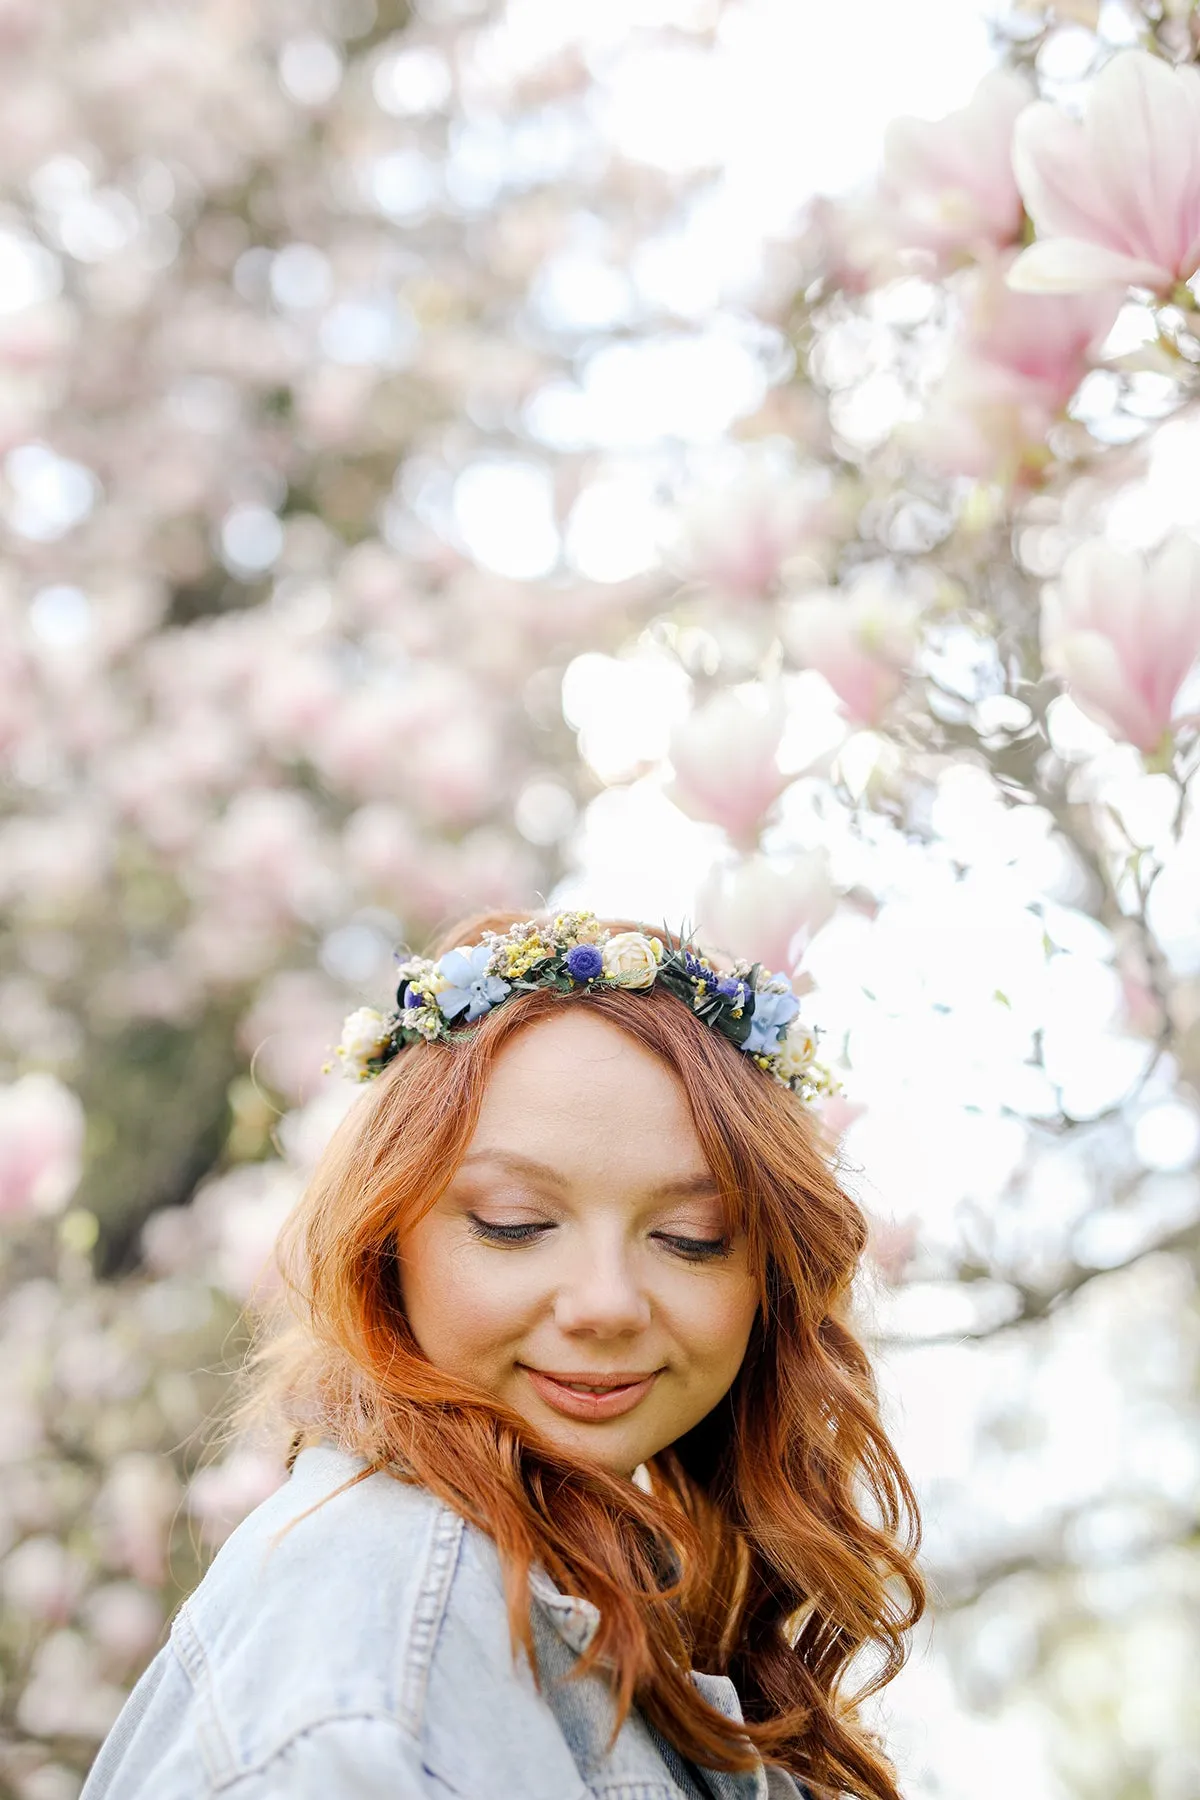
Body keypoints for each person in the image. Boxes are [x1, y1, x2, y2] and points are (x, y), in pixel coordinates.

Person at [81, 909, 925, 1800]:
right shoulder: (380, 1654)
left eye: (692, 1237)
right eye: (514, 1225)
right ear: (388, 1238)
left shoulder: (610, 1592)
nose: (606, 1303)